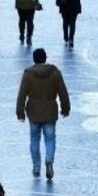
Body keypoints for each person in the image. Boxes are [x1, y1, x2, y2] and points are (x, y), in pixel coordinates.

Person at [16, 48, 71, 179]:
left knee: (34, 139)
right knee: (50, 139)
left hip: (34, 112)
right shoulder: (55, 73)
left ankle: (36, 167)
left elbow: (21, 95)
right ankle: (49, 160)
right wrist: (65, 109)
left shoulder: (28, 74)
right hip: (50, 111)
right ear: (45, 58)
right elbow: (63, 93)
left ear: (34, 59)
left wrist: (20, 113)